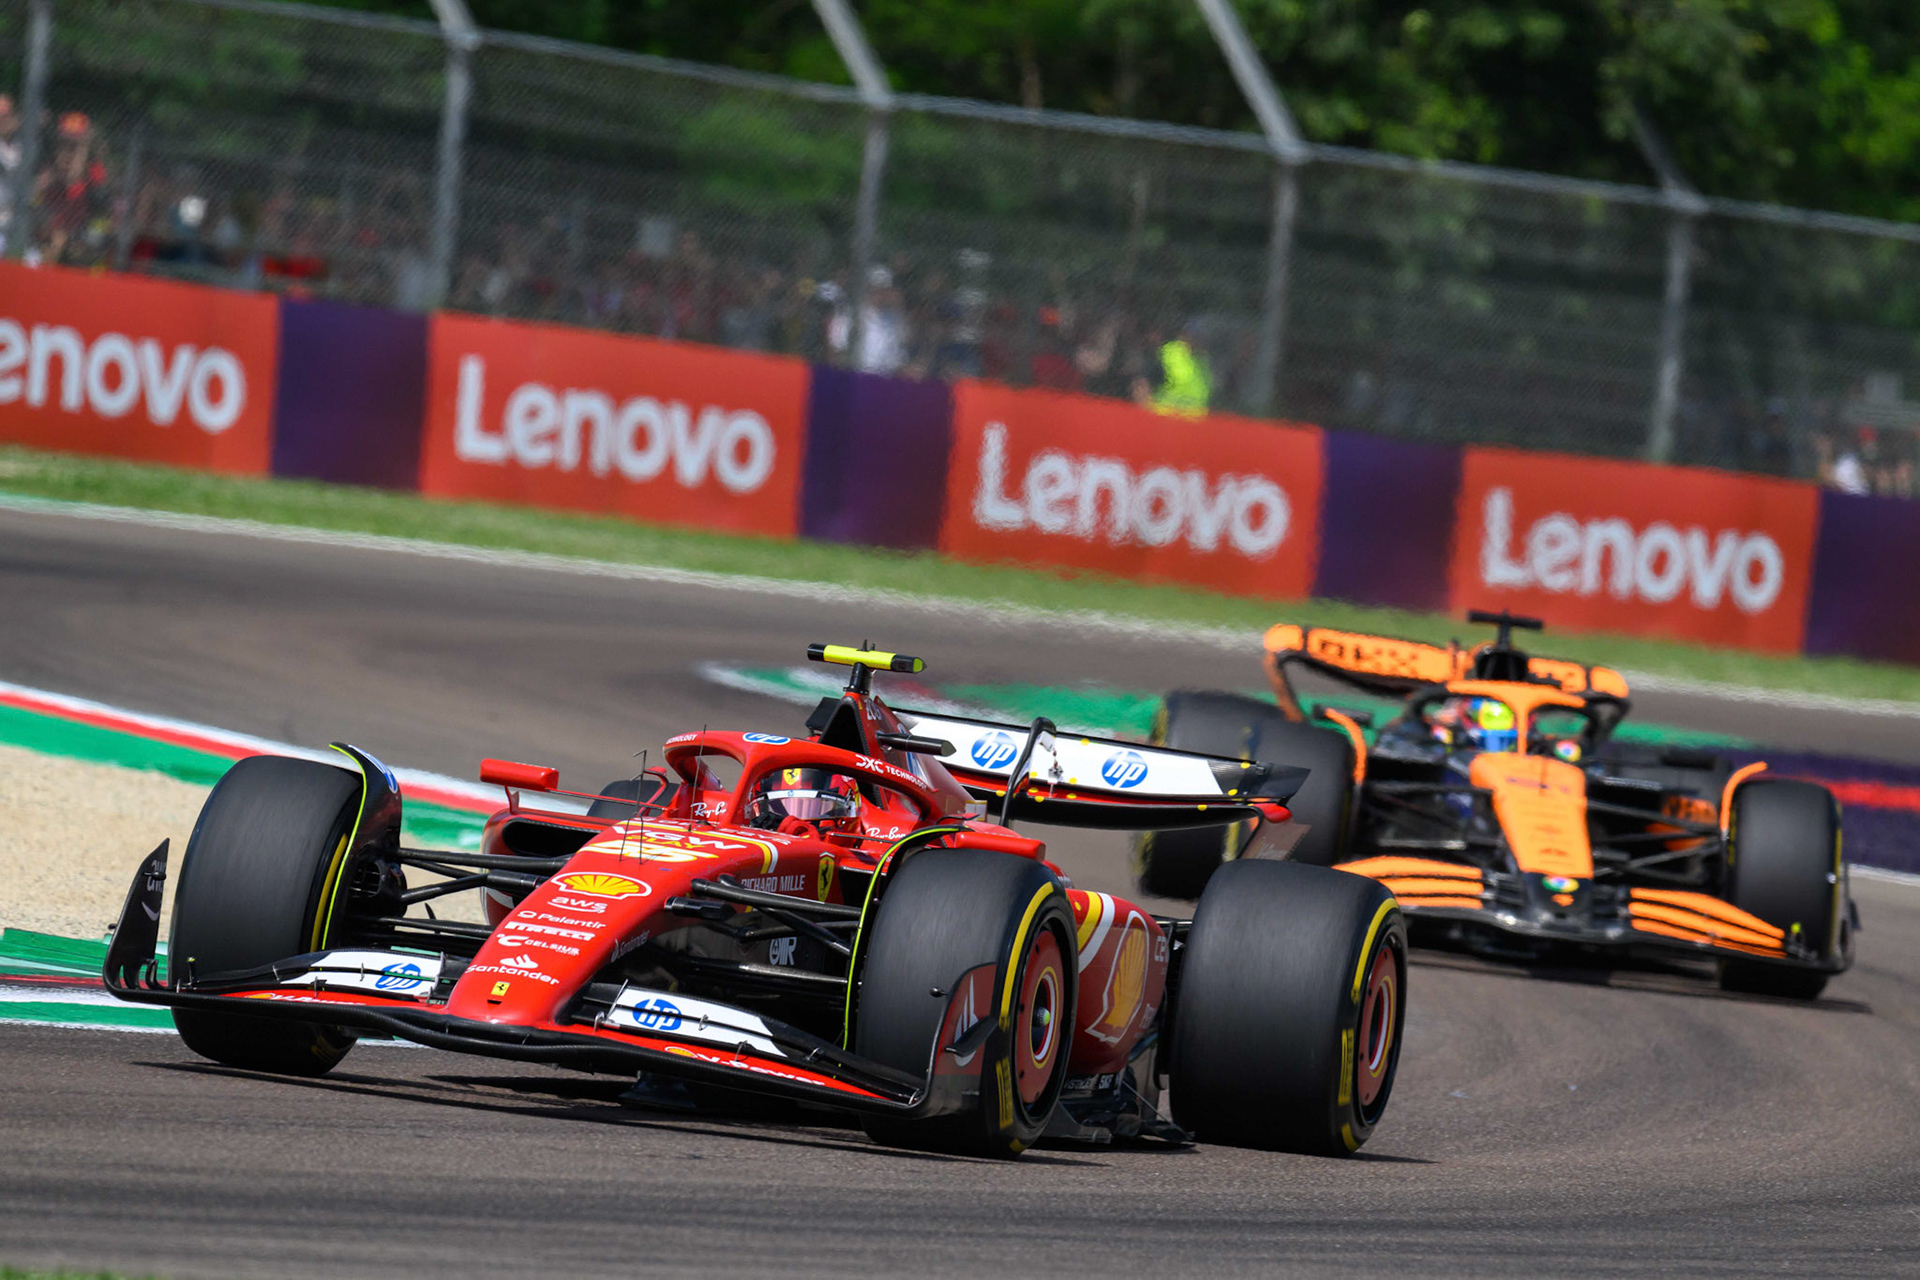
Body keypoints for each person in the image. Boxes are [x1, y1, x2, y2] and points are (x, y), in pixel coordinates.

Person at [1133, 322, 1211, 417]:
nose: (1201, 341)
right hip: (1164, 418)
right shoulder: (1169, 354)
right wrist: (1145, 413)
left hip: (1191, 422)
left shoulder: (1202, 360)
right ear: (1185, 335)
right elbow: (1141, 383)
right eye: (1197, 337)